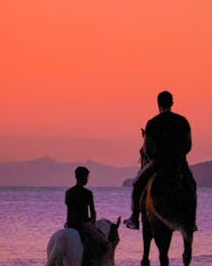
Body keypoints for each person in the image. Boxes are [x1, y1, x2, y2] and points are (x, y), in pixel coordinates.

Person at [123, 90, 196, 230]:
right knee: (191, 185)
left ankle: (134, 218)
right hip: (179, 163)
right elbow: (188, 146)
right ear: (172, 103)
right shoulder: (182, 121)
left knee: (137, 184)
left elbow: (147, 149)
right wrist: (178, 156)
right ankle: (191, 221)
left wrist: (154, 158)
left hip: (158, 163)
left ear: (158, 104)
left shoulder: (152, 123)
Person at [65, 166, 108, 252]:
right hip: (84, 225)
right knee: (104, 240)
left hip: (70, 224)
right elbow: (92, 211)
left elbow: (70, 209)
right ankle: (99, 262)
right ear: (84, 177)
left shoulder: (69, 192)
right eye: (87, 177)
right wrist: (92, 222)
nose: (87, 180)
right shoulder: (88, 193)